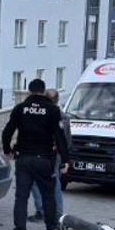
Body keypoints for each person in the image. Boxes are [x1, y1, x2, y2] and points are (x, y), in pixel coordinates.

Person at [2, 79, 70, 230]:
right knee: (48, 195)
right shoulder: (52, 110)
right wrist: (65, 160)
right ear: (44, 91)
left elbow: (7, 132)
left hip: (23, 159)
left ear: (29, 91)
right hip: (44, 159)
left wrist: (7, 150)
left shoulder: (20, 109)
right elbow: (60, 137)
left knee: (21, 197)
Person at [29, 88, 70, 222]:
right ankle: (55, 213)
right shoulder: (63, 116)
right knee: (54, 183)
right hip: (54, 155)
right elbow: (67, 139)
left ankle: (45, 212)